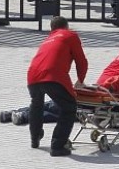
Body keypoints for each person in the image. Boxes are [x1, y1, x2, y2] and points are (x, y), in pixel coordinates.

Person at [2, 49, 119, 126]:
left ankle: (14, 113)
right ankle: (23, 116)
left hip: (95, 91)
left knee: (55, 105)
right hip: (102, 100)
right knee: (61, 112)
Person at [26, 16, 88, 157]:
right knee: (68, 108)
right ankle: (58, 146)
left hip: (32, 76)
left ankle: (34, 138)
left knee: (36, 105)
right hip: (53, 76)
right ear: (66, 26)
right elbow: (81, 60)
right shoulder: (70, 35)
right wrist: (80, 80)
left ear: (52, 29)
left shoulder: (47, 39)